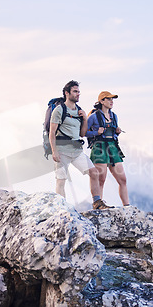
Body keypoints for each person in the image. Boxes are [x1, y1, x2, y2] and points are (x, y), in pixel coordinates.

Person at [49, 80, 113, 210]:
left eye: (79, 91)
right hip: (62, 150)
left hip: (76, 151)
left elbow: (82, 133)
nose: (78, 94)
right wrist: (54, 151)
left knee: (94, 172)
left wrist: (84, 118)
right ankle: (61, 208)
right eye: (75, 91)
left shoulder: (79, 111)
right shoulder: (59, 110)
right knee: (61, 180)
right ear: (67, 93)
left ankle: (97, 202)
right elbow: (52, 132)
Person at [86, 91, 130, 206]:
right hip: (99, 148)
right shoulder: (93, 116)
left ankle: (127, 206)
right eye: (109, 99)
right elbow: (84, 132)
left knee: (123, 179)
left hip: (113, 147)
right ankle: (99, 205)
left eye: (112, 99)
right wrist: (96, 132)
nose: (111, 101)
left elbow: (114, 134)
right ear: (101, 101)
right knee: (101, 179)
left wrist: (117, 133)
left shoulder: (114, 116)